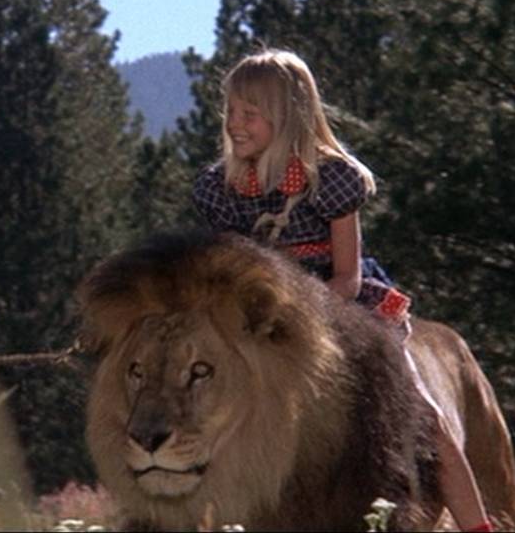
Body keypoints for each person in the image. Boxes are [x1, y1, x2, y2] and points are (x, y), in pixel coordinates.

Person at [191, 49, 492, 533]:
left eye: (249, 113)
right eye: (230, 111)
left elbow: (348, 277)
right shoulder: (221, 189)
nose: (234, 124)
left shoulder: (329, 177)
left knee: (427, 417)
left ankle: (478, 527)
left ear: (287, 116)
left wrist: (296, 320)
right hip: (262, 323)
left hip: (340, 309)